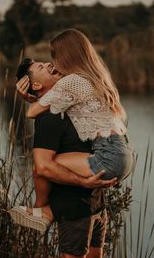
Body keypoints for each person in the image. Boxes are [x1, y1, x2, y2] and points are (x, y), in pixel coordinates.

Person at [10, 59, 116, 258]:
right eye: (42, 67)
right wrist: (82, 182)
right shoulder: (48, 118)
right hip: (71, 202)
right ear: (35, 83)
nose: (49, 64)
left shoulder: (73, 103)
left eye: (48, 62)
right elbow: (42, 167)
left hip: (96, 201)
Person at [12, 29, 135, 233]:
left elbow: (32, 112)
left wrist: (28, 98)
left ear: (66, 56)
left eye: (55, 56)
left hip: (109, 156)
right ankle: (47, 212)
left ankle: (40, 210)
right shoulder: (93, 78)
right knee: (46, 167)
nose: (53, 62)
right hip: (121, 154)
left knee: (41, 167)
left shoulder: (72, 82)